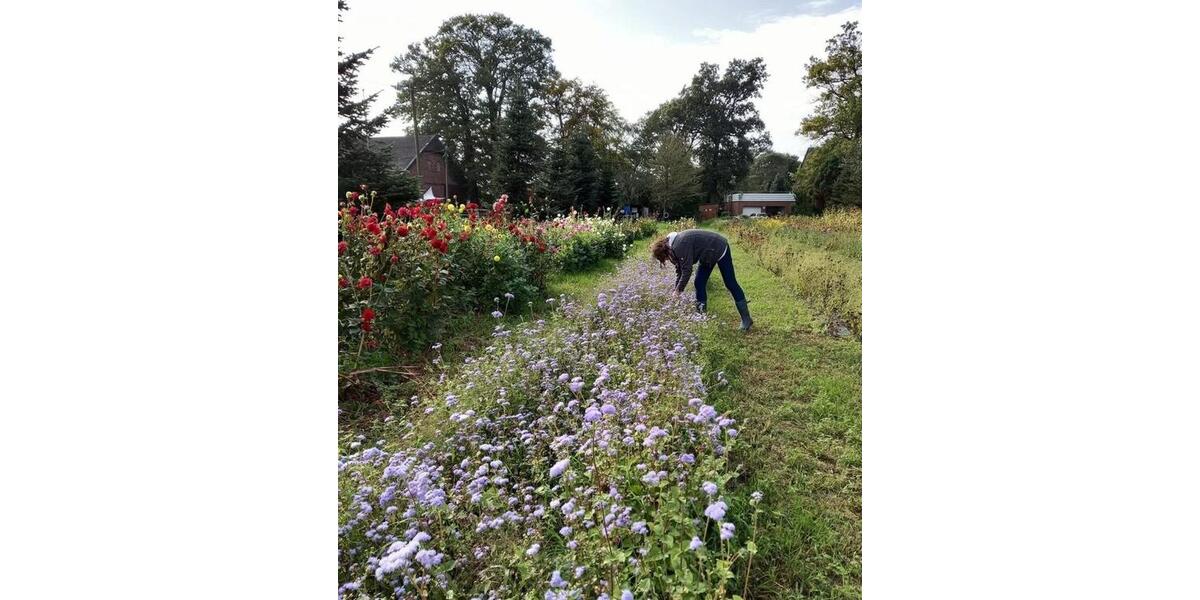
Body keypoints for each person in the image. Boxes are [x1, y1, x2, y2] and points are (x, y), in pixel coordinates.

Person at [650, 229, 752, 331]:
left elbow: (687, 271)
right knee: (699, 283)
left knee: (730, 283)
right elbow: (680, 270)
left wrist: (678, 291)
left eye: (665, 258)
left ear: (664, 252)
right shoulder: (672, 247)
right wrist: (676, 290)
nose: (667, 260)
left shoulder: (679, 245)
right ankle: (701, 316)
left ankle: (746, 319)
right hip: (707, 253)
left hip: (719, 247)